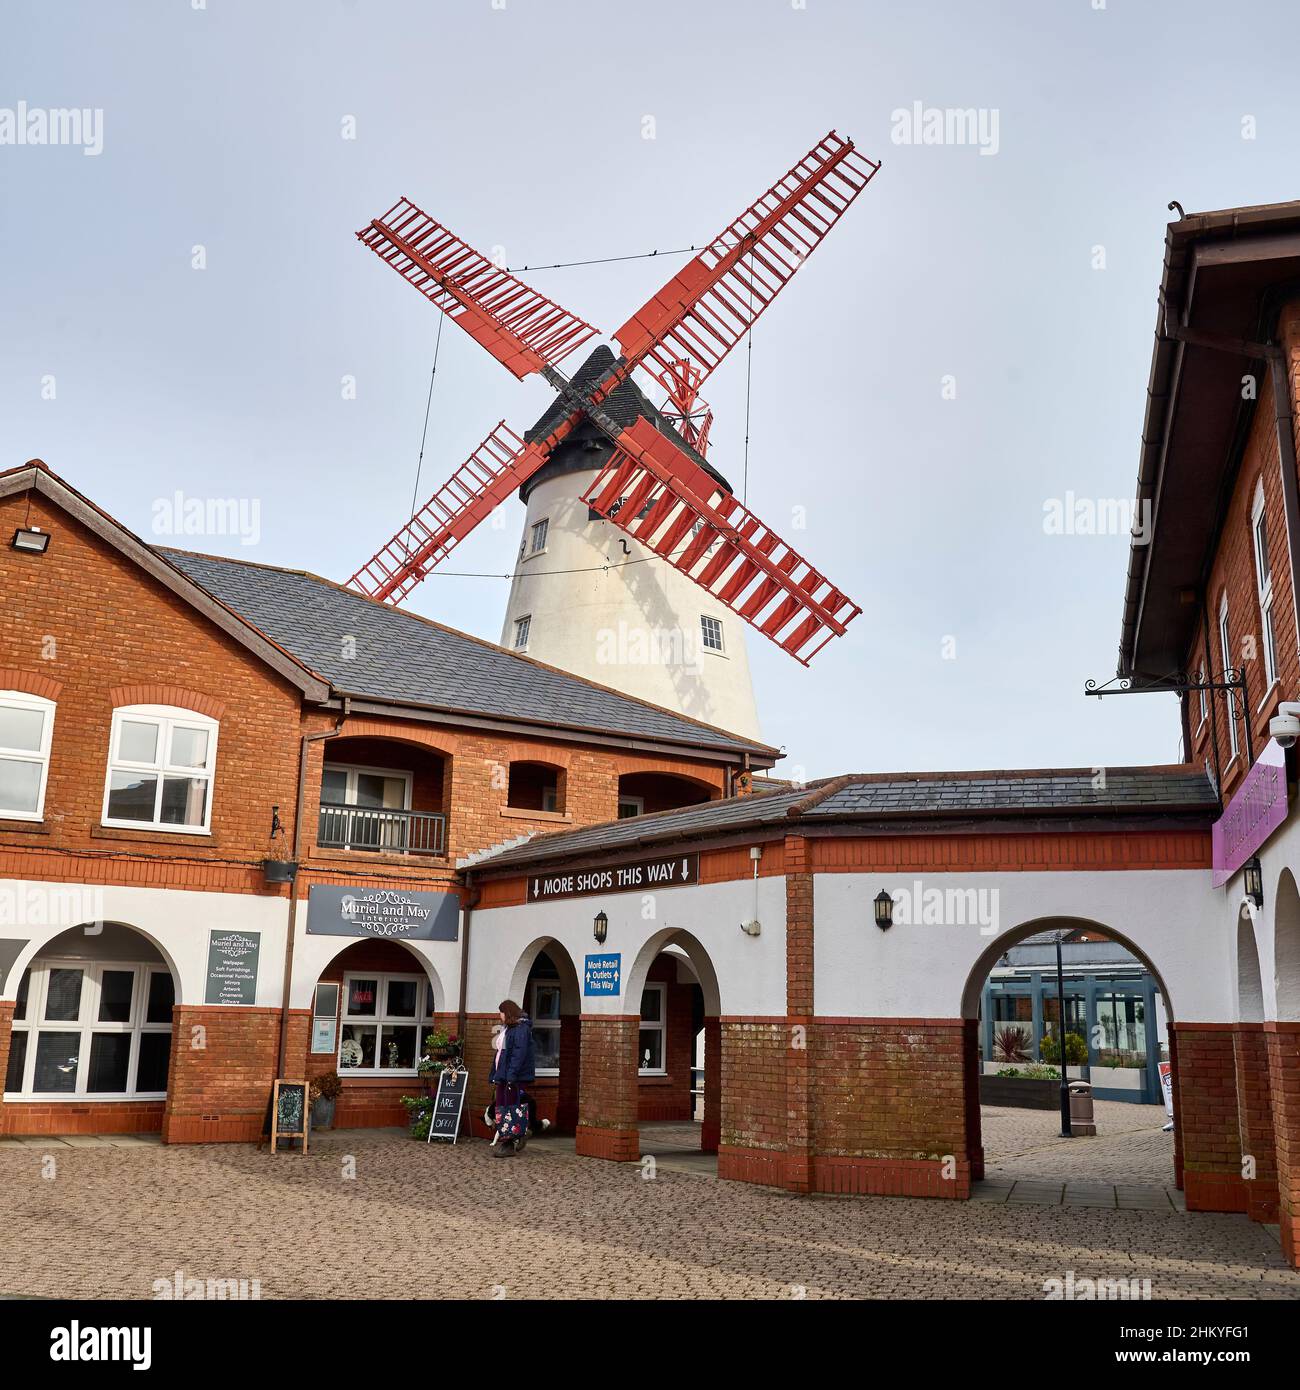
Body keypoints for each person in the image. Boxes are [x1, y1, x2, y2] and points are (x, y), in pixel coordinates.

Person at [489, 999, 537, 1157]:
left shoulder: (520, 1029)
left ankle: (510, 1142)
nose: (499, 1015)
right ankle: (515, 1135)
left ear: (507, 1012)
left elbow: (518, 1054)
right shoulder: (508, 1028)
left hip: (512, 1077)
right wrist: (495, 1074)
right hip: (504, 1075)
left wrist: (511, 1075)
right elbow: (500, 1053)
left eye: (501, 1012)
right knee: (502, 1107)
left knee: (509, 1107)